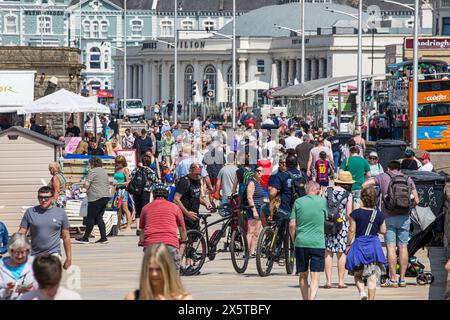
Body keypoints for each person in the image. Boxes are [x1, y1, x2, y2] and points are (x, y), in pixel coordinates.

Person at [362, 160, 419, 288]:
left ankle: (393, 279)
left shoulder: (383, 176)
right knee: (403, 247)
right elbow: (417, 200)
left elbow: (365, 185)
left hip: (388, 217)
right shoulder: (407, 178)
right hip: (404, 217)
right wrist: (409, 207)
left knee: (391, 247)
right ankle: (402, 279)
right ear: (399, 168)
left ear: (388, 168)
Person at [345, 186, 387, 300]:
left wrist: (348, 244)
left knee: (357, 274)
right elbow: (383, 231)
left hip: (359, 246)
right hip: (374, 246)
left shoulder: (356, 213)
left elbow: (352, 230)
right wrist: (374, 227)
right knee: (372, 276)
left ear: (362, 198)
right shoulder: (379, 214)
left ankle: (362, 293)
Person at [289, 181, 327, 300]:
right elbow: (328, 219)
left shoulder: (298, 202)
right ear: (317, 190)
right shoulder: (323, 202)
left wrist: (293, 239)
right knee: (315, 276)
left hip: (301, 242)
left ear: (306, 190)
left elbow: (292, 224)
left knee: (303, 274)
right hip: (318, 242)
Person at [18, 186, 71, 269]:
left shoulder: (60, 213)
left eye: (46, 198)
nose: (43, 200)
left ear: (52, 197)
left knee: (48, 273)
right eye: (40, 197)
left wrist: (69, 258)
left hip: (54, 253)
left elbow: (66, 236)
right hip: (35, 254)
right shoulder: (30, 212)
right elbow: (21, 232)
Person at [138, 184, 187, 271]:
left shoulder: (145, 208)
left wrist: (142, 241)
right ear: (168, 195)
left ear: (153, 195)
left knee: (150, 272)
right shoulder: (175, 207)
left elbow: (142, 229)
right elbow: (182, 228)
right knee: (174, 272)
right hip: (170, 244)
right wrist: (183, 240)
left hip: (151, 245)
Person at [124, 244, 192, 300]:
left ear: (168, 269)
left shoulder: (183, 298)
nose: (154, 274)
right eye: (150, 269)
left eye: (159, 269)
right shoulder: (132, 297)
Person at [324, 171, 353, 289]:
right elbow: (349, 213)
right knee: (341, 253)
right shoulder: (348, 194)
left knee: (328, 252)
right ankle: (341, 282)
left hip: (328, 223)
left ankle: (328, 281)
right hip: (342, 225)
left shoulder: (327, 191)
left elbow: (323, 206)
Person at [75, 157, 111, 244]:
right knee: (99, 218)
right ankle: (103, 238)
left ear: (92, 164)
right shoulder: (103, 171)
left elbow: (87, 184)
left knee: (90, 218)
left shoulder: (93, 171)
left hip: (95, 197)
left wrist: (82, 188)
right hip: (105, 197)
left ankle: (85, 238)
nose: (88, 165)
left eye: (89, 164)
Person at [173, 163, 213, 231]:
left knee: (196, 237)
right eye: (196, 174)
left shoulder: (197, 180)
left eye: (199, 174)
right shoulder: (184, 181)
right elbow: (176, 200)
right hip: (185, 215)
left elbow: (195, 196)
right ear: (190, 171)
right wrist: (187, 214)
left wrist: (206, 203)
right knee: (187, 239)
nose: (198, 176)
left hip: (195, 215)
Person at [0, 233, 36, 300]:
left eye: (22, 252)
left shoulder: (35, 264)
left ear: (28, 251)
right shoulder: (1, 266)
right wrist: (6, 291)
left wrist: (33, 291)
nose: (19, 256)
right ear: (10, 250)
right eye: (16, 252)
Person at [130, 155, 157, 235]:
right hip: (146, 192)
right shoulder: (150, 171)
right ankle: (144, 227)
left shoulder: (136, 170)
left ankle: (138, 228)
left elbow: (131, 178)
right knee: (145, 210)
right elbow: (154, 181)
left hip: (136, 192)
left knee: (138, 210)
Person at [246, 164, 265, 257]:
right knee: (250, 232)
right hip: (253, 208)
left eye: (261, 171)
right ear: (254, 172)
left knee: (256, 233)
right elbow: (249, 197)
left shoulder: (259, 182)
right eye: (257, 170)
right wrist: (254, 211)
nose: (259, 172)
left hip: (260, 209)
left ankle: (252, 251)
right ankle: (246, 251)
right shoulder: (252, 183)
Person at [112, 155, 133, 232]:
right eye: (117, 162)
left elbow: (128, 182)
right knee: (118, 208)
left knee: (125, 208)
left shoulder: (125, 170)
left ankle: (129, 225)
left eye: (119, 163)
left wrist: (118, 183)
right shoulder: (116, 169)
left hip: (123, 190)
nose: (118, 164)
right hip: (117, 190)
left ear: (123, 162)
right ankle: (118, 225)